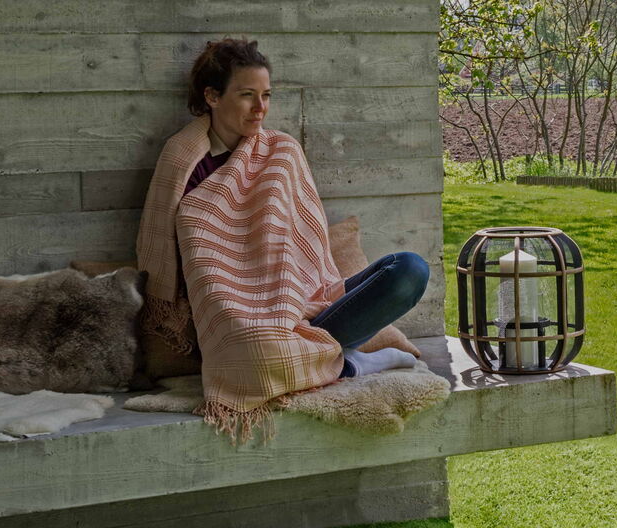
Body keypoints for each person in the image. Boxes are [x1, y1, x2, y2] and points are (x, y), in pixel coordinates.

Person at [134, 38, 425, 434]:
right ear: (212, 96)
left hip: (306, 300)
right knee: (254, 353)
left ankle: (318, 356)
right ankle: (352, 362)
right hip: (237, 315)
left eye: (266, 95)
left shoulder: (281, 151)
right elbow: (198, 256)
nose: (260, 108)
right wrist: (252, 308)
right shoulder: (184, 162)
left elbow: (300, 240)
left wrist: (289, 298)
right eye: (247, 95)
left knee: (409, 270)